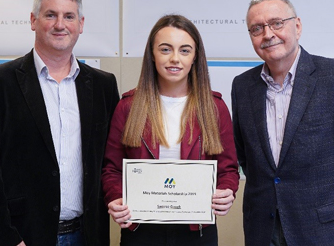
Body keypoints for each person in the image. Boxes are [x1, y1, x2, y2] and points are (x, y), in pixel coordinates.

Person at [0, 0, 120, 246]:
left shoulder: (103, 85)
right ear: (33, 20)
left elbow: (112, 161)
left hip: (86, 236)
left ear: (80, 24)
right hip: (22, 237)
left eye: (69, 16)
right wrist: (5, 239)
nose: (60, 24)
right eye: (51, 15)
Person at [231, 0, 334, 246]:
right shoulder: (243, 86)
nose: (268, 34)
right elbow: (246, 157)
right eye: (257, 28)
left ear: (297, 26)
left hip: (327, 229)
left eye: (277, 23)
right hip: (263, 228)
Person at [102, 14, 240, 245]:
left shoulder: (214, 107)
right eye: (165, 49)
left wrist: (227, 191)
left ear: (195, 57)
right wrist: (115, 197)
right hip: (140, 230)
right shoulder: (128, 107)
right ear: (152, 55)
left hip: (197, 232)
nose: (175, 59)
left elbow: (228, 170)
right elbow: (112, 169)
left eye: (185, 51)